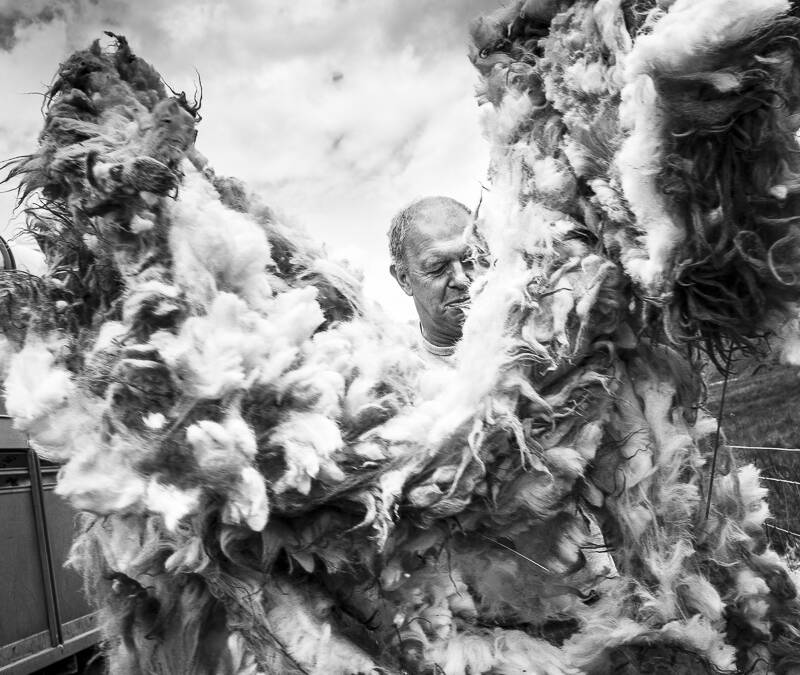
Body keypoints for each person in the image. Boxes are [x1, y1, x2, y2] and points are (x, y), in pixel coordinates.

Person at [388, 196, 476, 360]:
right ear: (404, 279)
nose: (462, 279)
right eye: (438, 267)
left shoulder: (533, 346)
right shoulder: (401, 375)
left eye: (471, 260)